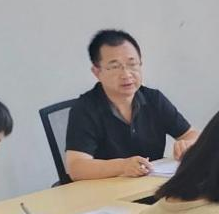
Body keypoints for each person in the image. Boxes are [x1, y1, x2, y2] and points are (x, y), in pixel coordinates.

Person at [64, 29, 199, 181]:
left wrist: (188, 145)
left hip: (150, 186)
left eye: (132, 64)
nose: (126, 74)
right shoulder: (85, 109)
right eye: (115, 67)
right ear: (97, 72)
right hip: (106, 191)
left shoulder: (154, 99)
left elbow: (191, 134)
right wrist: (122, 166)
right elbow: (76, 167)